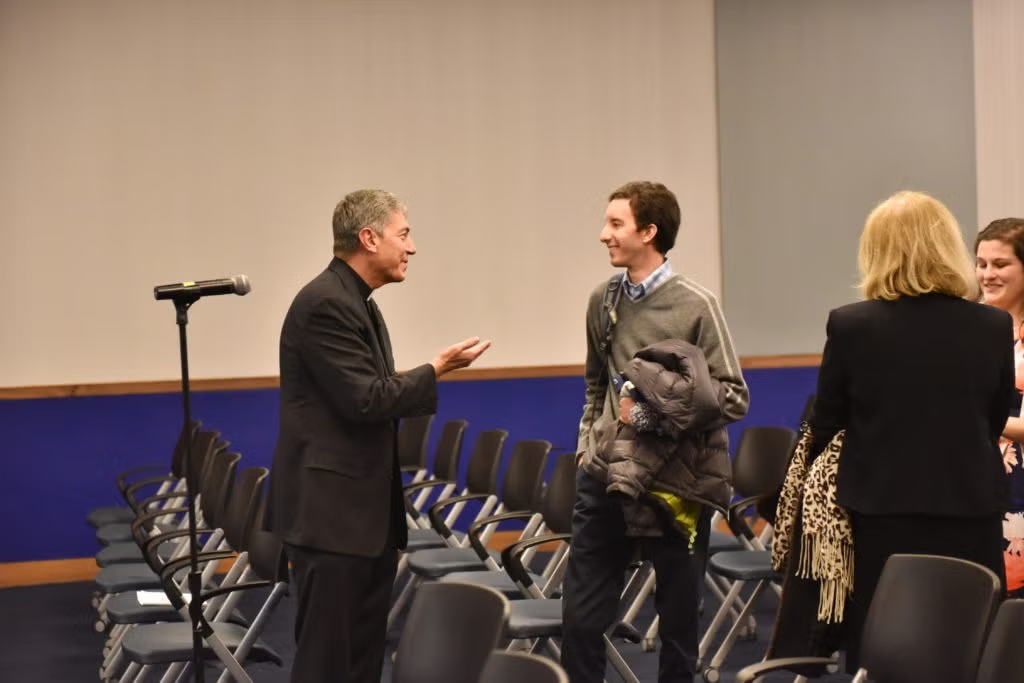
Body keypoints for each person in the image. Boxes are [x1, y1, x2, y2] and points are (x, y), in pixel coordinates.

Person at [265, 189, 490, 683]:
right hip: (331, 519)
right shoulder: (327, 303)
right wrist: (437, 368)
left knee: (361, 660)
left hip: (355, 520)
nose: (412, 247)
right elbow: (366, 400)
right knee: (329, 664)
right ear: (369, 238)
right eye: (403, 234)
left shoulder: (356, 301)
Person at [810, 191, 1012, 673]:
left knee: (884, 651)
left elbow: (826, 425)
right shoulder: (992, 325)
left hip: (881, 512)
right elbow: (995, 415)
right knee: (973, 645)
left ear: (876, 250)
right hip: (971, 508)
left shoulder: (851, 325)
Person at [563, 181, 750, 683]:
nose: (604, 234)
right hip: (603, 475)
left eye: (616, 224)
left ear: (650, 232)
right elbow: (595, 383)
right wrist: (588, 444)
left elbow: (733, 396)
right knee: (579, 620)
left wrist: (649, 414)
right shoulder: (602, 301)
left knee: (678, 629)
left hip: (676, 485)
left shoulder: (697, 304)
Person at [975, 217, 1024, 598]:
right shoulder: (967, 327)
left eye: (1000, 264)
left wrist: (976, 419)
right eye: (982, 263)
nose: (987, 274)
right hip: (973, 486)